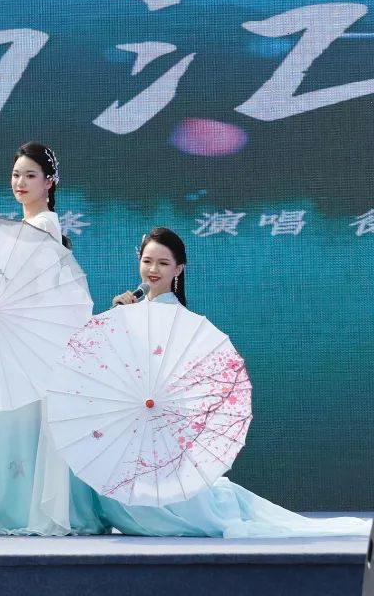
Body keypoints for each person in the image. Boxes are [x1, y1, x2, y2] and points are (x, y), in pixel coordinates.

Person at [94, 228, 371, 537]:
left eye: (163, 263)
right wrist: (116, 319)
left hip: (158, 416)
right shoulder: (134, 309)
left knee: (172, 507)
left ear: (178, 269)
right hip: (134, 415)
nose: (153, 270)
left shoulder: (173, 315)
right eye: (147, 261)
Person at [0, 142, 107, 535]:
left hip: (25, 337)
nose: (21, 182)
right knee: (7, 419)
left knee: (15, 420)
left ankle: (13, 508)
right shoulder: (25, 225)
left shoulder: (43, 224)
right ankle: (5, 505)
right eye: (16, 175)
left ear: (49, 182)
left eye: (30, 175)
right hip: (12, 333)